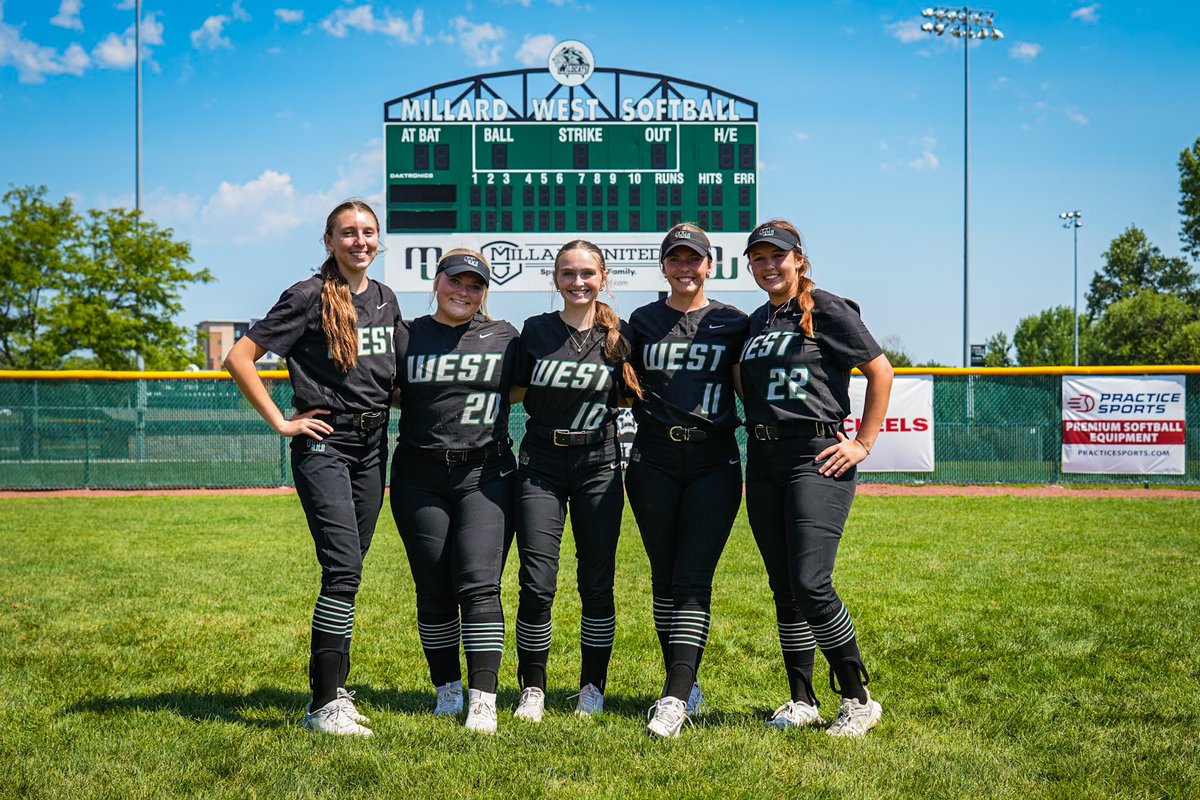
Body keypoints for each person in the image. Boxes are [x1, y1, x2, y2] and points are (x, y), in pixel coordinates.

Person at [225, 199, 398, 737]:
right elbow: (238, 357)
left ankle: (335, 692)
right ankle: (323, 704)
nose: (360, 241)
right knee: (342, 567)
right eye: (348, 233)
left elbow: (384, 380)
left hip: (374, 445)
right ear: (329, 242)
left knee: (350, 571)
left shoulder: (386, 299)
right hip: (326, 441)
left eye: (368, 232)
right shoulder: (307, 296)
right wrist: (282, 422)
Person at [736, 219, 893, 737]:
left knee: (811, 581)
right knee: (785, 588)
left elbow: (880, 371)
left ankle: (856, 697)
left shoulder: (826, 307)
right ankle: (801, 698)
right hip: (763, 459)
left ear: (798, 258)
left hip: (816, 456)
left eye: (776, 256)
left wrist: (862, 442)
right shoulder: (758, 318)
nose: (767, 265)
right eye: (758, 258)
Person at [508, 240, 643, 722]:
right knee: (537, 581)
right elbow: (516, 392)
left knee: (597, 581)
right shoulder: (535, 331)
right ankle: (533, 688)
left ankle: (592, 687)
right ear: (555, 279)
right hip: (542, 460)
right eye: (568, 273)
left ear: (603, 277)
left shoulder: (622, 335)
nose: (578, 281)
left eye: (587, 273)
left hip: (599, 462)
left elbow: (635, 396)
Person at [625, 223, 749, 738]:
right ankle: (685, 681)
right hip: (652, 458)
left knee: (693, 577)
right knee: (663, 576)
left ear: (709, 265)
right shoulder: (642, 320)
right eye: (675, 259)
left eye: (693, 259)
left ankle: (673, 698)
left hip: (712, 459)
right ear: (663, 265)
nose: (684, 267)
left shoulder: (732, 321)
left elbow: (755, 381)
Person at [389, 250, 519, 735]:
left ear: (485, 291)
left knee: (479, 582)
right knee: (433, 586)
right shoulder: (408, 334)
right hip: (419, 475)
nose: (463, 291)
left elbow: (531, 383)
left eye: (474, 285)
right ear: (437, 281)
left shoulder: (506, 336)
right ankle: (447, 690)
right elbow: (381, 386)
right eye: (455, 281)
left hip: (485, 473)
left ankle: (482, 699)